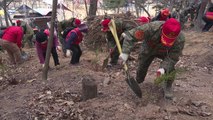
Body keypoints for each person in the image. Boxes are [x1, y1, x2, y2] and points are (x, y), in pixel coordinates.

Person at [119, 18, 185, 99]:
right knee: (142, 65)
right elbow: (130, 35)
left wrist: (163, 68)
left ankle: (168, 87)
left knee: (170, 69)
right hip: (149, 49)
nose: (167, 41)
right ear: (161, 29)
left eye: (170, 40)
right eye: (165, 38)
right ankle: (139, 81)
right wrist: (125, 52)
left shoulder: (180, 39)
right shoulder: (151, 28)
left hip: (166, 52)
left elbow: (173, 57)